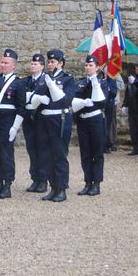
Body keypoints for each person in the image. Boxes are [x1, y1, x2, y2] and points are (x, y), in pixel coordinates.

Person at [0, 49, 26, 199]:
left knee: (6, 154)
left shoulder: (18, 83)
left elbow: (21, 108)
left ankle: (7, 185)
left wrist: (15, 127)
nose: (3, 65)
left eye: (6, 63)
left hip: (7, 122)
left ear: (14, 65)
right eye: (2, 62)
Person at [36, 49, 75, 203]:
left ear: (60, 63)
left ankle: (62, 188)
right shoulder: (44, 78)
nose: (50, 64)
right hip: (45, 119)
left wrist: (52, 87)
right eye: (49, 62)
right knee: (47, 155)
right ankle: (53, 187)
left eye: (53, 62)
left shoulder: (68, 79)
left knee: (59, 155)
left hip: (60, 119)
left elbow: (66, 101)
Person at [72, 55, 108, 196]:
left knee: (97, 152)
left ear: (97, 67)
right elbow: (74, 99)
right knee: (85, 153)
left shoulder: (102, 82)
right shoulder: (80, 82)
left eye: (91, 65)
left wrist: (95, 84)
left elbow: (102, 102)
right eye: (86, 65)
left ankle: (96, 183)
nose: (88, 68)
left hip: (95, 120)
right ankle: (87, 182)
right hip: (83, 120)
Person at [20, 53, 48, 193]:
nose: (32, 65)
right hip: (28, 119)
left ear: (42, 66)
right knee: (31, 149)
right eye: (31, 63)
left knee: (42, 149)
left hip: (41, 119)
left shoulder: (45, 80)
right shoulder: (26, 81)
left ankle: (43, 180)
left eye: (36, 63)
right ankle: (35, 179)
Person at [105, 73, 123, 152]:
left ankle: (113, 142)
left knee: (112, 122)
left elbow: (122, 86)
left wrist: (114, 80)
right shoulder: (100, 73)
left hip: (113, 101)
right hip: (102, 101)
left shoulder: (115, 73)